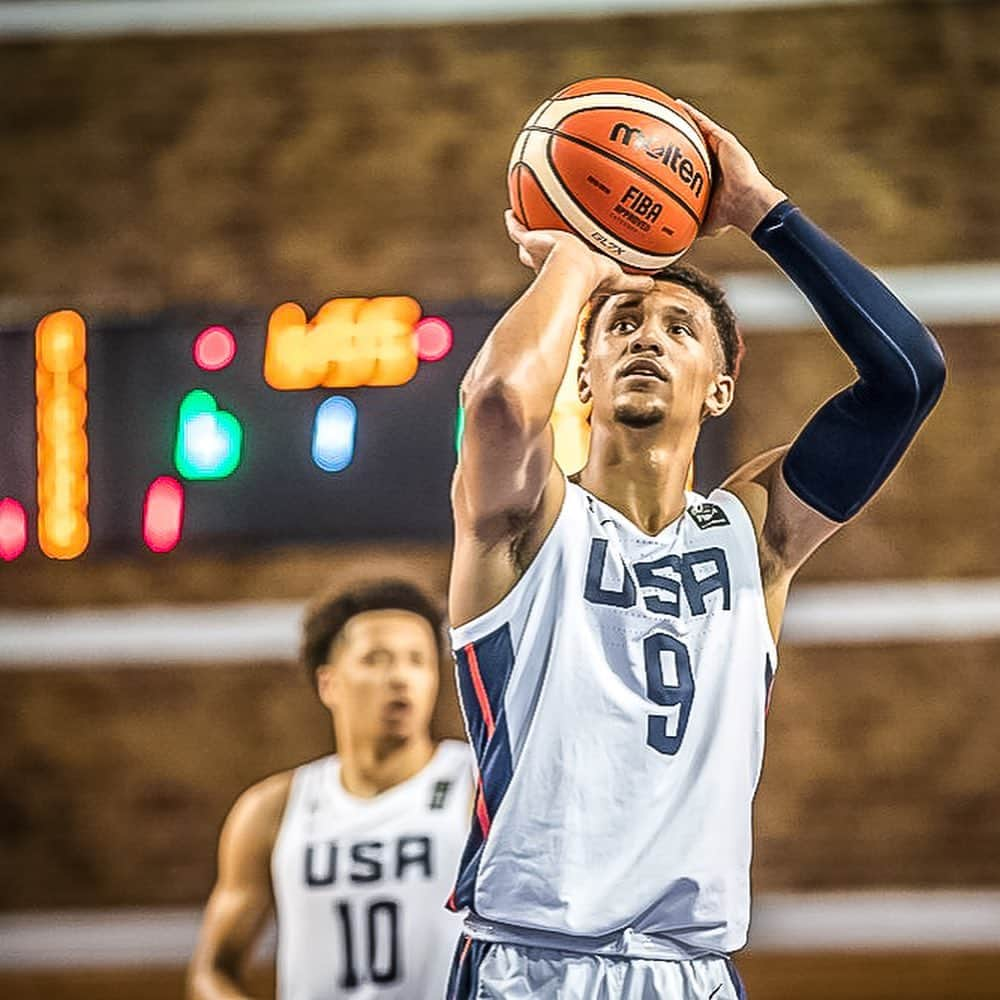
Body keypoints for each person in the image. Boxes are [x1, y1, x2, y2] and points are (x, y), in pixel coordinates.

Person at [445, 99, 946, 998]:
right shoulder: (527, 521)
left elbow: (907, 377)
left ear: (718, 390)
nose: (647, 336)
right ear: (583, 375)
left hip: (693, 972)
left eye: (680, 329)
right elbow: (496, 406)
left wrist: (761, 210)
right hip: (532, 965)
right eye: (622, 323)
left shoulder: (752, 535)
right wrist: (577, 258)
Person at [187, 579, 473, 1000]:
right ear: (329, 683)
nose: (400, 677)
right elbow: (210, 972)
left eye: (418, 661)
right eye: (377, 659)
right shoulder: (273, 808)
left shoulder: (478, 784)